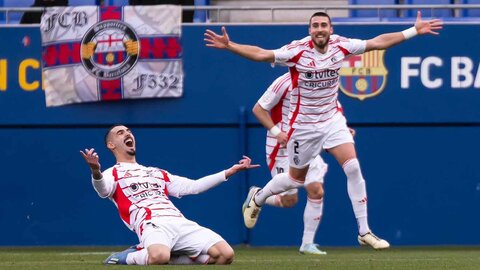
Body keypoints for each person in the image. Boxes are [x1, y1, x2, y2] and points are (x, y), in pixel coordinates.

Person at [205, 11, 443, 249]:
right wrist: (230, 46)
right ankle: (259, 197)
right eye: (315, 25)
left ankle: (364, 230)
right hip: (304, 128)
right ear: (310, 30)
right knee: (294, 181)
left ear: (331, 29)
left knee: (353, 167)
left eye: (324, 25)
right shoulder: (297, 51)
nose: (319, 29)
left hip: (331, 120)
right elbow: (261, 54)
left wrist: (413, 30)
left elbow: (377, 43)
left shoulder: (341, 45)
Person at [80, 125, 259, 265]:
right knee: (159, 257)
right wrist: (96, 171)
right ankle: (129, 257)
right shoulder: (112, 173)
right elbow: (103, 191)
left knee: (225, 255)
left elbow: (194, 186)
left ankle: (159, 253)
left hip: (179, 222)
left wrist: (229, 172)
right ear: (111, 145)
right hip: (152, 223)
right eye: (120, 133)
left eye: (129, 131)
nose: (128, 134)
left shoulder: (157, 172)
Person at [252, 72, 328, 255]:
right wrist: (277, 132)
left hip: (306, 142)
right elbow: (258, 109)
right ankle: (257, 195)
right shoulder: (283, 82)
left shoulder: (321, 81)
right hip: (282, 148)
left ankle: (307, 244)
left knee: (316, 190)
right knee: (289, 201)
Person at [128, 0, 194, 23]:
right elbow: (133, 7)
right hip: (146, 27)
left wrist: (183, 28)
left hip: (176, 28)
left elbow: (188, 9)